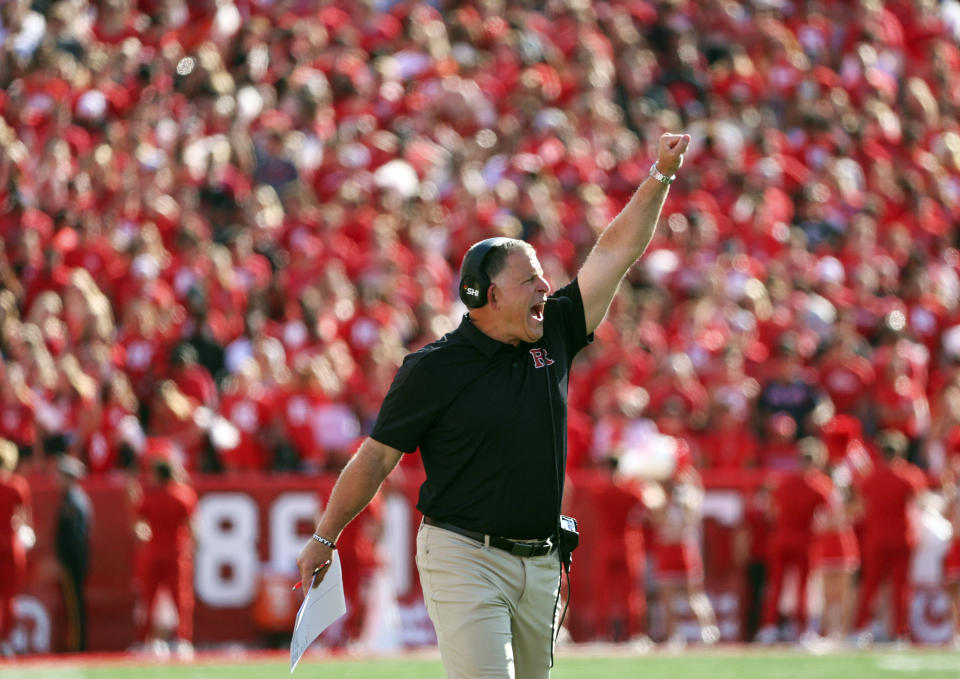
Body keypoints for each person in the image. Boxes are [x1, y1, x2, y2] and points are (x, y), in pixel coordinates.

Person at [298, 132, 690, 678]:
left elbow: (616, 252)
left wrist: (661, 176)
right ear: (487, 296)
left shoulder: (552, 329)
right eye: (529, 278)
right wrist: (325, 535)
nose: (544, 286)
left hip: (543, 558)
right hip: (464, 554)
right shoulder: (433, 368)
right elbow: (376, 459)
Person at [852, 429, 926, 645]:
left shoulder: (870, 478)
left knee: (870, 586)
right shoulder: (910, 476)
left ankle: (860, 629)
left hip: (876, 538)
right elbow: (919, 504)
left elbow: (861, 507)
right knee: (901, 588)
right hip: (902, 537)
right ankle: (899, 632)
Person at [756, 437, 832, 644]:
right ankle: (802, 630)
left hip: (781, 538)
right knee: (803, 587)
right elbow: (830, 515)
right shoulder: (820, 486)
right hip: (805, 540)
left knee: (776, 586)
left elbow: (770, 511)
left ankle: (769, 627)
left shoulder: (783, 482)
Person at [129, 457, 198, 657]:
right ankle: (183, 640)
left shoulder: (150, 496)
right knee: (181, 599)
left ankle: (143, 640)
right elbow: (192, 526)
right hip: (177, 552)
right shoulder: (183, 495)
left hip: (153, 552)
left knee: (148, 599)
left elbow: (138, 524)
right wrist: (191, 546)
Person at [54, 455, 93, 652]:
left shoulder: (73, 501)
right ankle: (76, 643)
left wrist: (66, 561)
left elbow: (74, 537)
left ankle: (76, 646)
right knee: (73, 604)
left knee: (74, 605)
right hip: (74, 561)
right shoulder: (74, 498)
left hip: (72, 562)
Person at [0, 438, 32, 657]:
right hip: (10, 545)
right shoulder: (17, 485)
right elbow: (25, 521)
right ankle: (5, 640)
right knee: (10, 597)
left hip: (9, 544)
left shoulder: (17, 486)